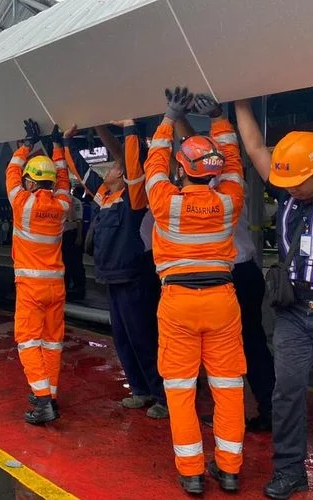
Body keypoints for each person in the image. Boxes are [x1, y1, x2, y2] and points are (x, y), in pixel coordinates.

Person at [145, 88, 246, 494]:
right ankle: (231, 470)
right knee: (228, 387)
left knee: (181, 389)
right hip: (223, 301)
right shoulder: (228, 201)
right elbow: (235, 168)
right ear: (213, 173)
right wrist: (220, 121)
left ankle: (191, 474)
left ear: (182, 171)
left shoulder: (165, 201)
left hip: (178, 304)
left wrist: (169, 117)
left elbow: (153, 165)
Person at [175, 116, 275, 433]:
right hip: (245, 273)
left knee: (225, 356)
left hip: (227, 278)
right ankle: (268, 409)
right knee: (252, 345)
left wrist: (176, 121)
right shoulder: (232, 185)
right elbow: (203, 156)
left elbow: (198, 158)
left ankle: (236, 415)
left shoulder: (209, 190)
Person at [235, 98, 313, 499]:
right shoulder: (287, 194)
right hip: (294, 312)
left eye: (299, 181)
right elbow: (254, 149)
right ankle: (290, 471)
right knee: (287, 390)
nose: (291, 188)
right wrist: (240, 101)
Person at [64, 119, 168, 419]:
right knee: (123, 339)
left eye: (112, 167)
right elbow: (82, 173)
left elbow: (134, 166)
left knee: (144, 337)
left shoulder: (134, 198)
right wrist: (67, 143)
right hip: (111, 279)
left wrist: (130, 128)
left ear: (122, 174)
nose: (106, 170)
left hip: (135, 279)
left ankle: (162, 395)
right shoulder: (105, 197)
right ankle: (140, 390)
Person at [6, 118, 71, 425]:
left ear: (30, 182)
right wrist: (58, 147)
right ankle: (51, 395)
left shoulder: (22, 204)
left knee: (29, 341)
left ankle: (43, 401)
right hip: (56, 285)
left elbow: (10, 174)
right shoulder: (62, 205)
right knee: (52, 342)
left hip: (31, 286)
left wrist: (25, 145)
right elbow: (64, 181)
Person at [62, 185, 86, 299]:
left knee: (75, 263)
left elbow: (79, 221)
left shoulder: (75, 202)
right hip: (62, 235)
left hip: (72, 233)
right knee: (64, 263)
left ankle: (79, 288)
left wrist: (79, 237)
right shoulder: (59, 201)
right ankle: (65, 286)